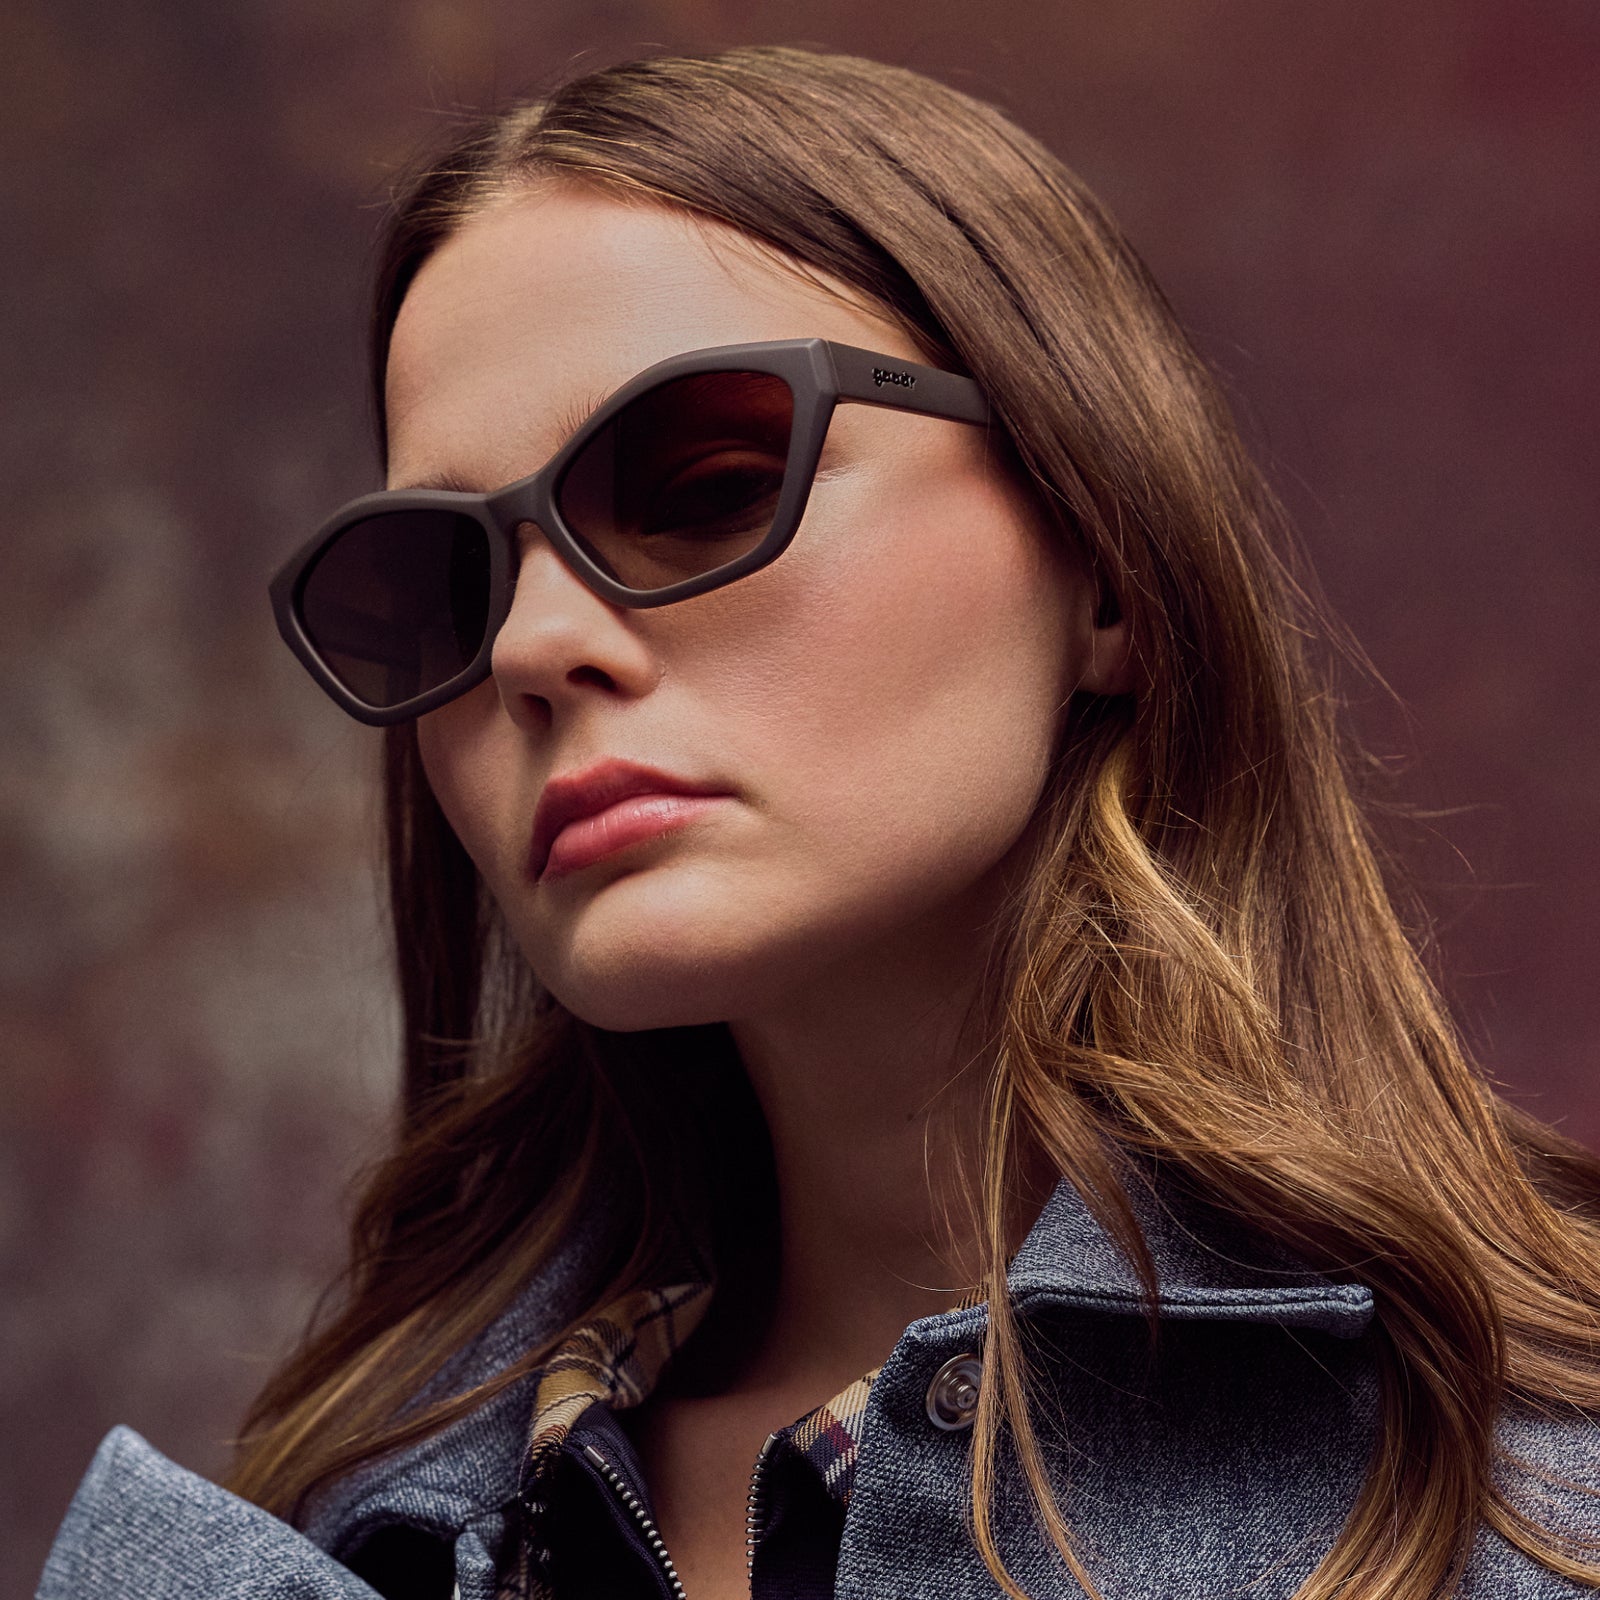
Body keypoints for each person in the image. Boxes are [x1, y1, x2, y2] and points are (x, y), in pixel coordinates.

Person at [36, 43, 1600, 1600]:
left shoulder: (1539, 1509)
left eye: (709, 479)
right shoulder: (344, 1536)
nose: (529, 647)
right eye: (443, 586)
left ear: (1110, 566)